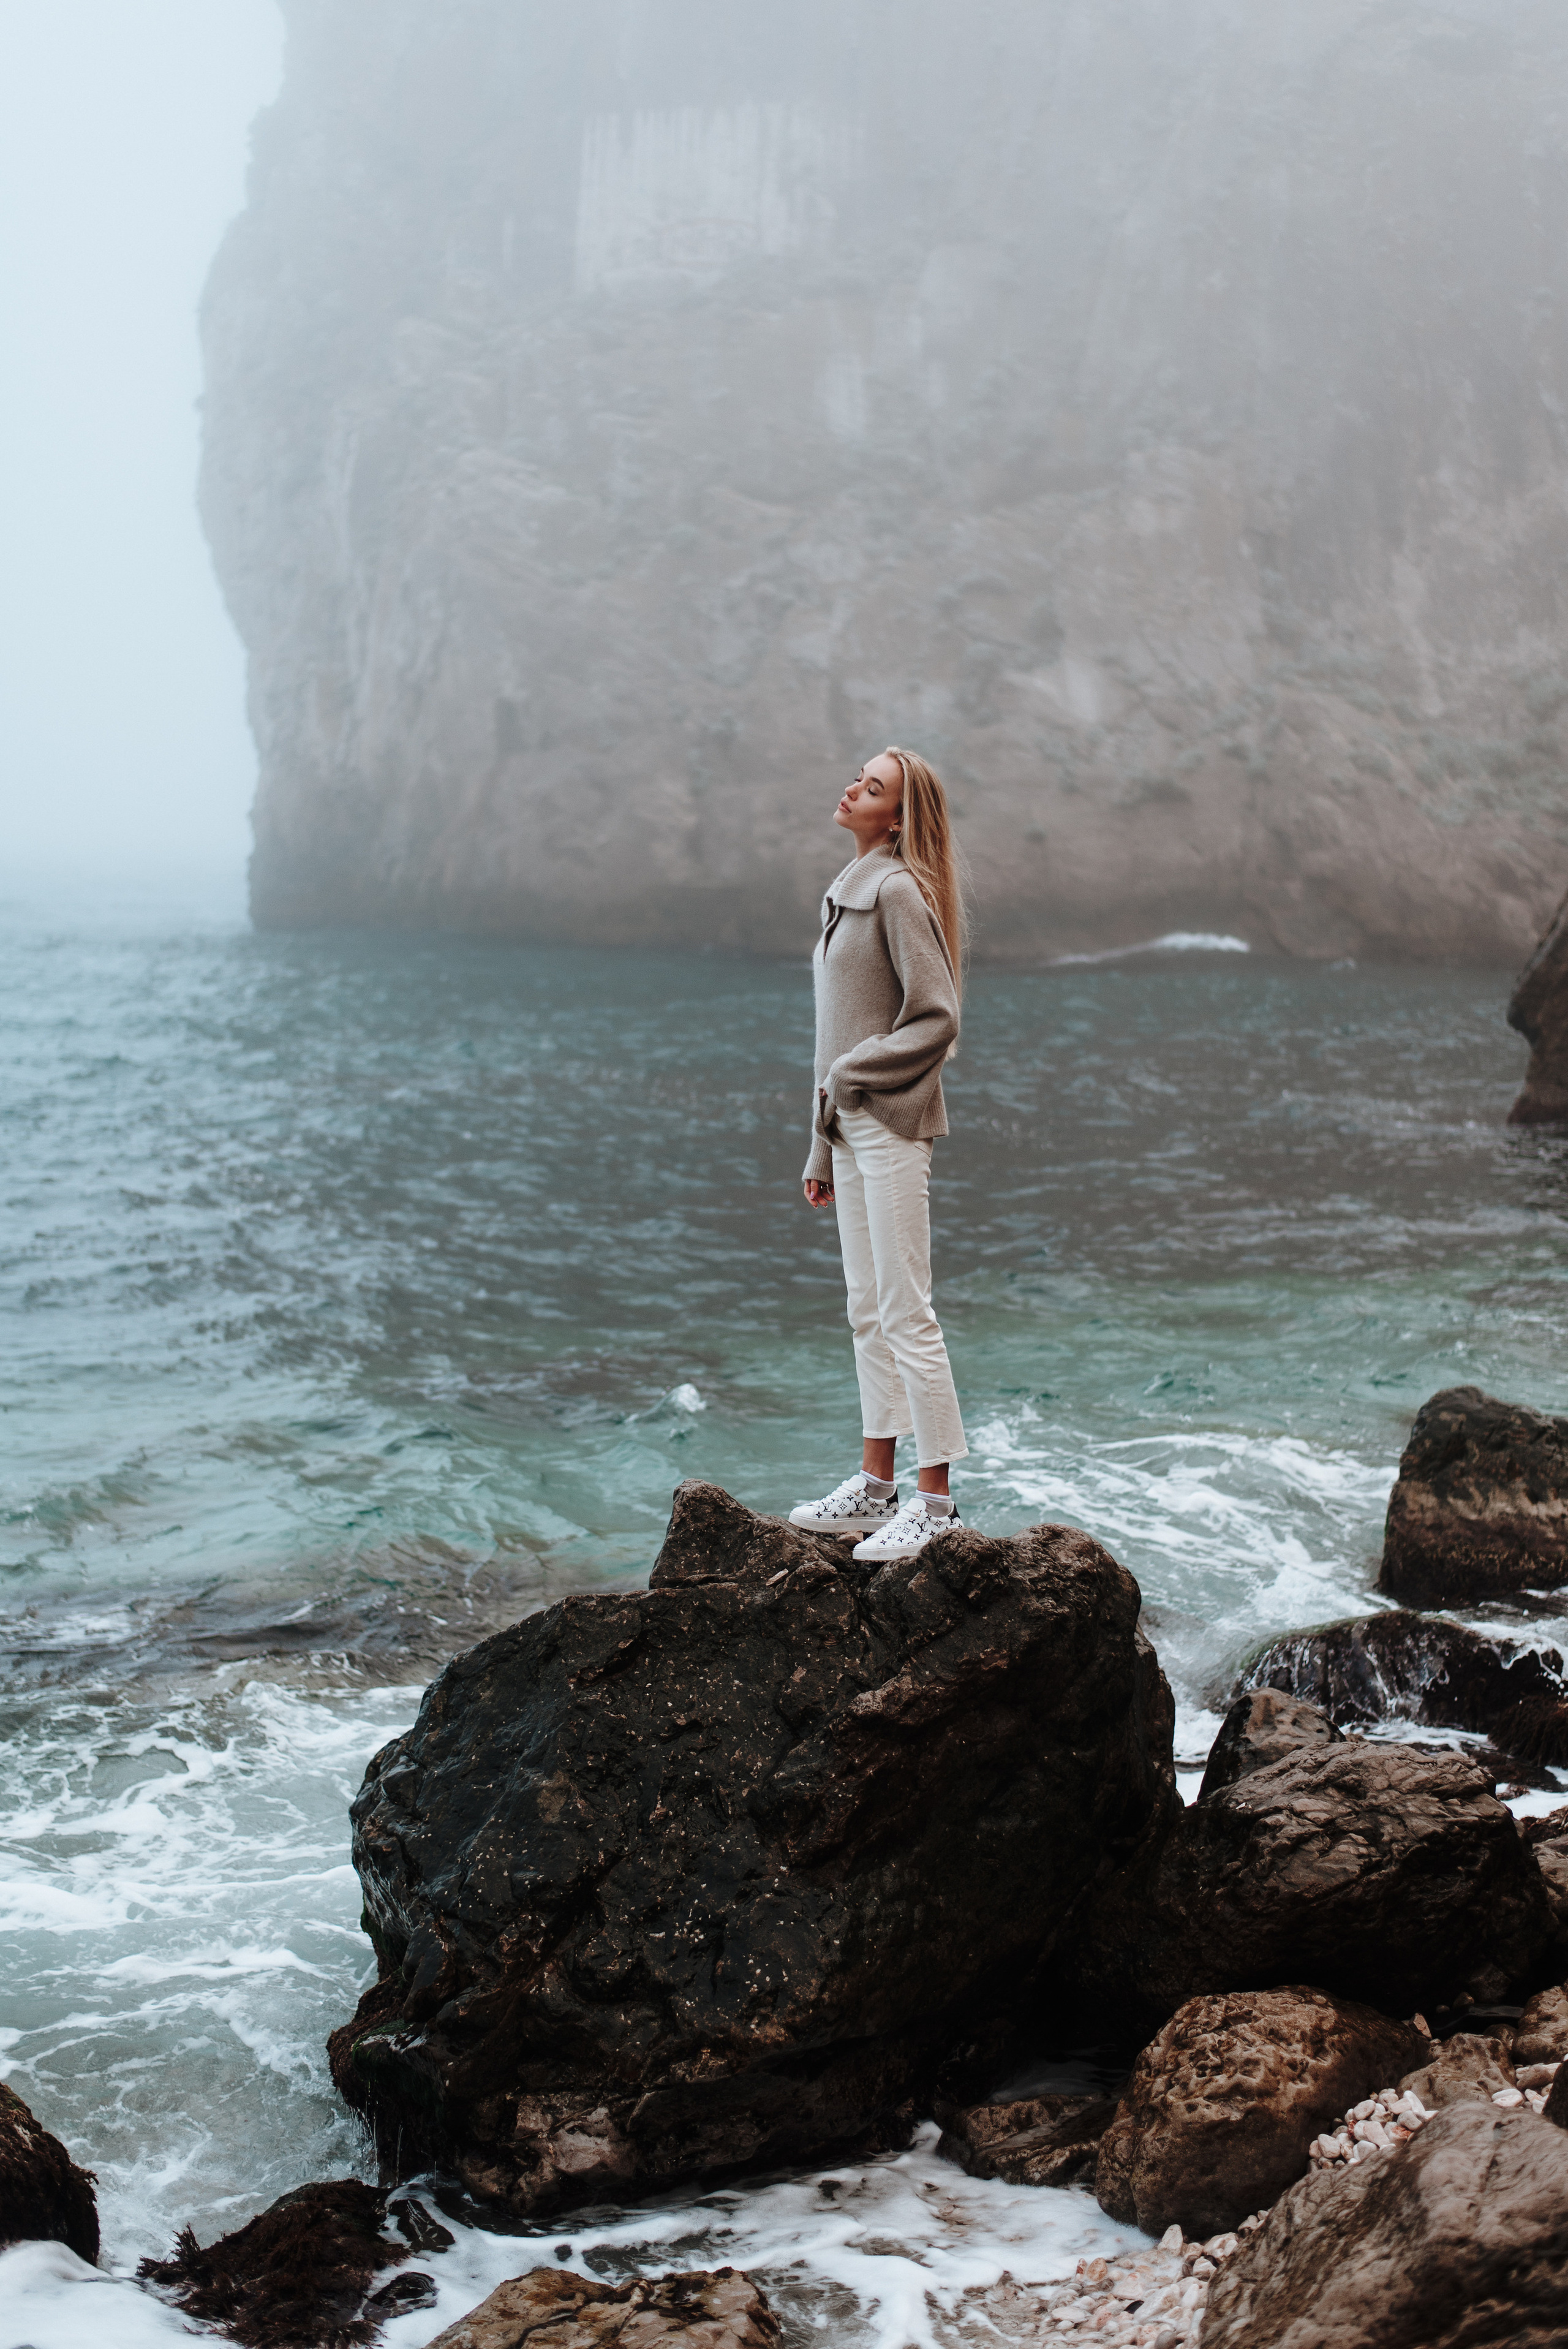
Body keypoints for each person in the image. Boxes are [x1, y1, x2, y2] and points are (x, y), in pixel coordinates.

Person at [789, 746, 969, 1559]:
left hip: (892, 1121)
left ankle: (934, 1505)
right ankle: (875, 1485)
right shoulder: (845, 891)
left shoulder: (897, 892)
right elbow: (832, 1031)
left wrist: (853, 1075)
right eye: (858, 778)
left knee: (906, 1310)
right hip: (850, 1127)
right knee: (867, 1308)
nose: (852, 788)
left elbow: (937, 1016)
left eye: (873, 786)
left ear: (895, 817)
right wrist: (818, 1145)